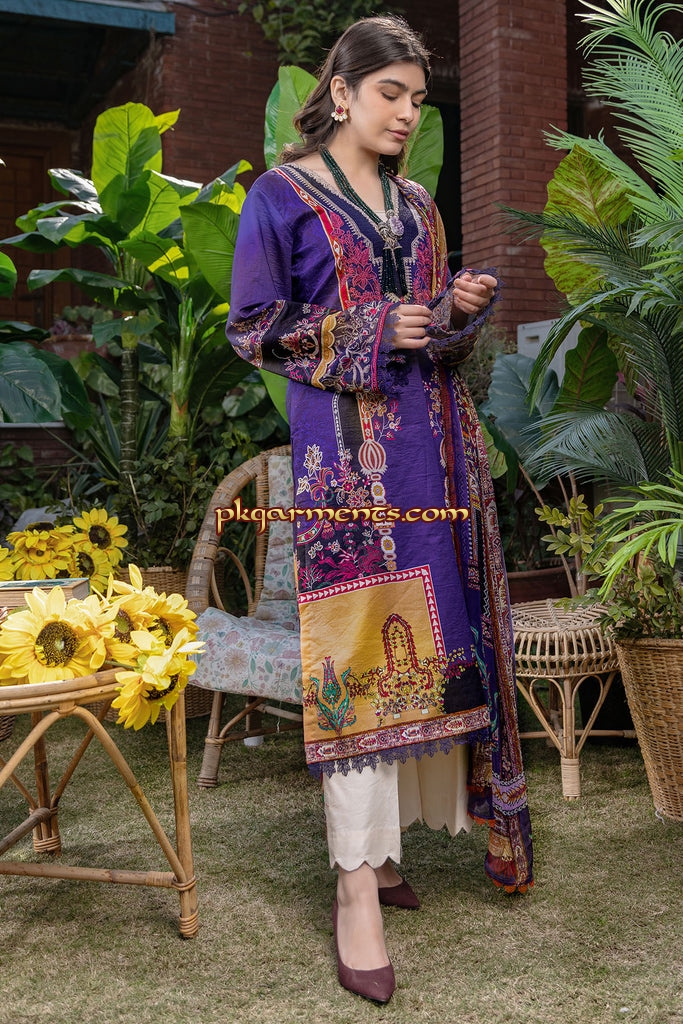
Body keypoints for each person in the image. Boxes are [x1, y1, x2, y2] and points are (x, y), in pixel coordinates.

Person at [226, 14, 533, 1004]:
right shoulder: (279, 197)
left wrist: (452, 313)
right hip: (347, 471)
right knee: (362, 658)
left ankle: (389, 851)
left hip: (433, 458)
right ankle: (354, 887)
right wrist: (365, 328)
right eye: (389, 93)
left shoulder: (417, 207)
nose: (405, 112)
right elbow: (253, 328)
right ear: (342, 91)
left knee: (429, 645)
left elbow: (428, 335)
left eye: (416, 97)